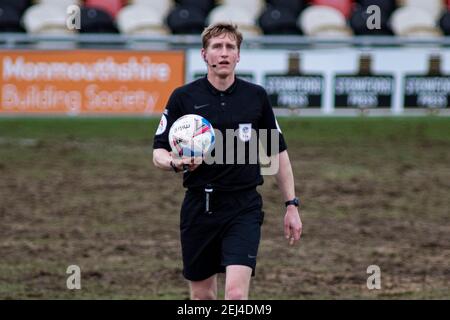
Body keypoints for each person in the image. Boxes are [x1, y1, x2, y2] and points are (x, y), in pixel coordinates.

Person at [152, 22, 302, 300]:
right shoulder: (183, 98)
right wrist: (175, 162)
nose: (223, 53)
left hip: (243, 207)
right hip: (199, 207)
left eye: (230, 47)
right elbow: (158, 152)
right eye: (217, 47)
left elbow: (276, 154)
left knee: (235, 295)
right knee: (202, 297)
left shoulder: (255, 97)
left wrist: (291, 205)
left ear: (238, 55)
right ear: (204, 55)